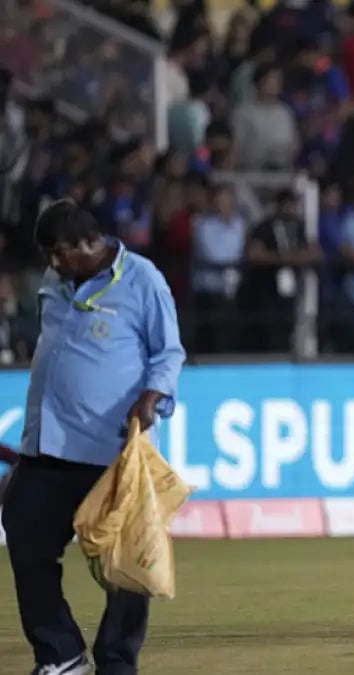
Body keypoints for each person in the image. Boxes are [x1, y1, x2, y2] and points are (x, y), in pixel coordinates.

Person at [3, 200, 186, 675]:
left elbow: (168, 354)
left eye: (60, 252)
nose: (53, 263)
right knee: (25, 538)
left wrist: (152, 397)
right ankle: (61, 655)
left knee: (128, 567)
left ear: (90, 244)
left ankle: (116, 662)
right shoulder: (55, 283)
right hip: (48, 447)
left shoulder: (143, 280)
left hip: (113, 452)